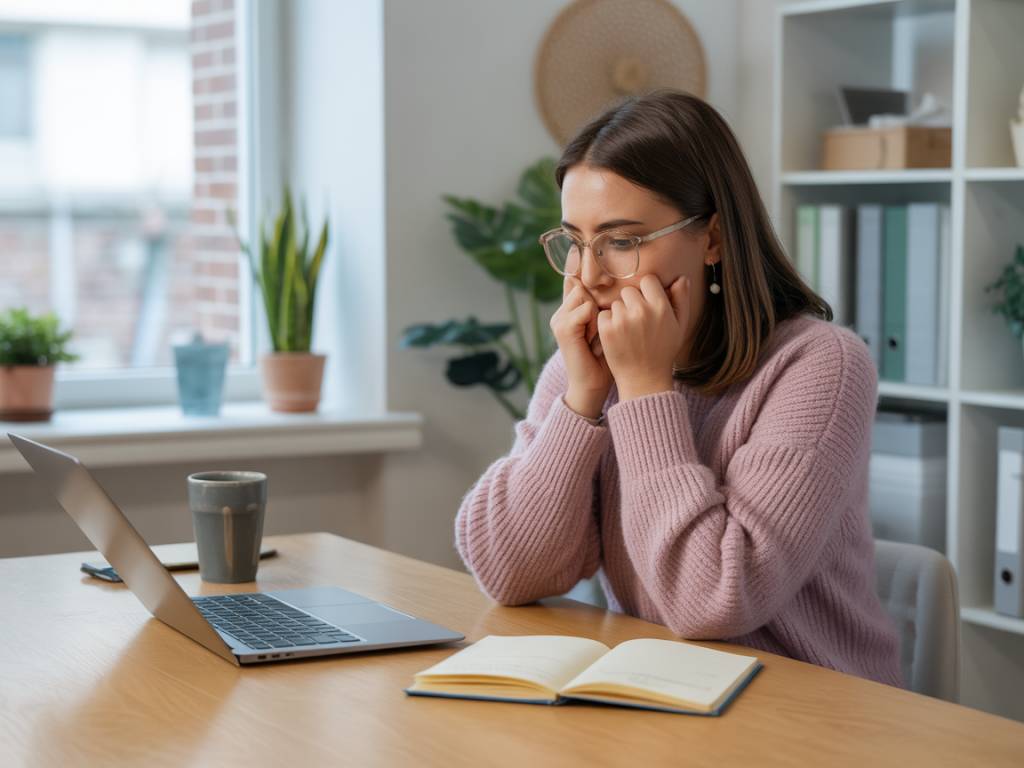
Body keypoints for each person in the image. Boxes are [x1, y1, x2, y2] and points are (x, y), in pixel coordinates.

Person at [454, 89, 903, 687]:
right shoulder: (588, 362)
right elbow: (509, 572)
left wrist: (644, 390)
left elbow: (713, 600)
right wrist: (581, 400)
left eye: (622, 241)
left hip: (805, 710)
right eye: (574, 242)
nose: (588, 277)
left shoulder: (820, 365)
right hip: (661, 696)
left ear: (712, 238)